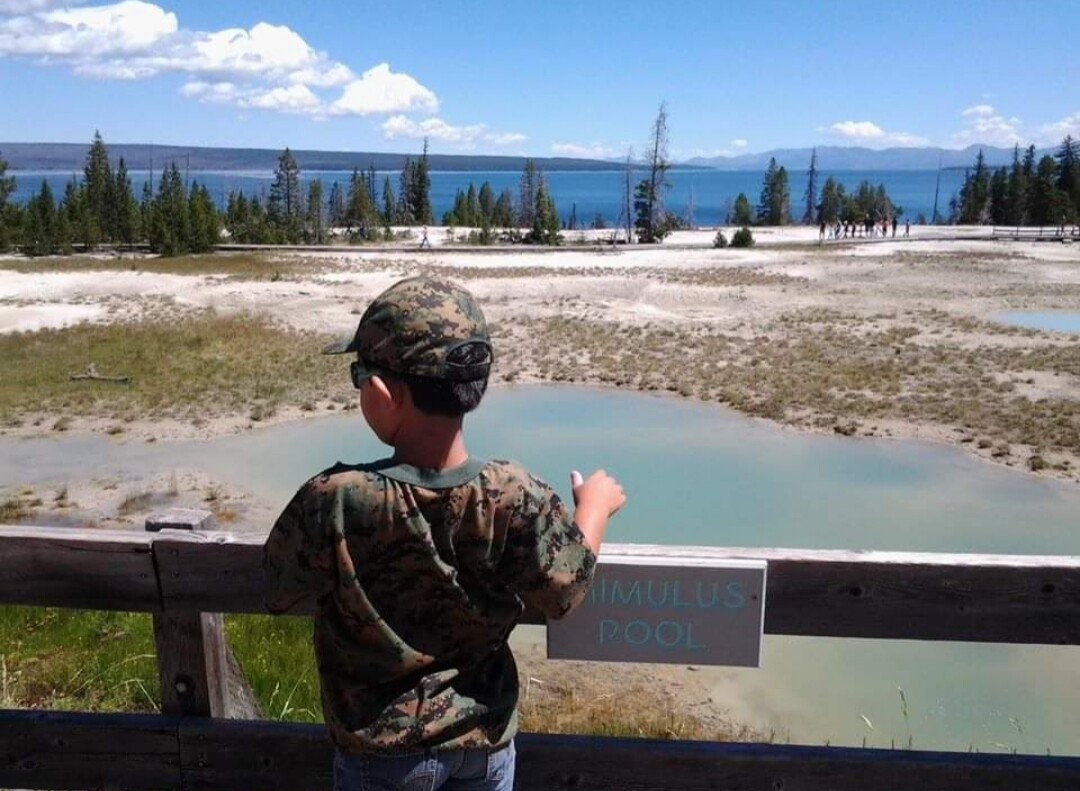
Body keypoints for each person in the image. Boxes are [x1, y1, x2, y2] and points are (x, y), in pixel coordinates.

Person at [263, 276, 626, 791]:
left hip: (378, 756)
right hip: (484, 743)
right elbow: (564, 591)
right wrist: (593, 509)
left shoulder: (335, 498)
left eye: (359, 374)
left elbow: (277, 588)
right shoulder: (513, 492)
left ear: (383, 394)